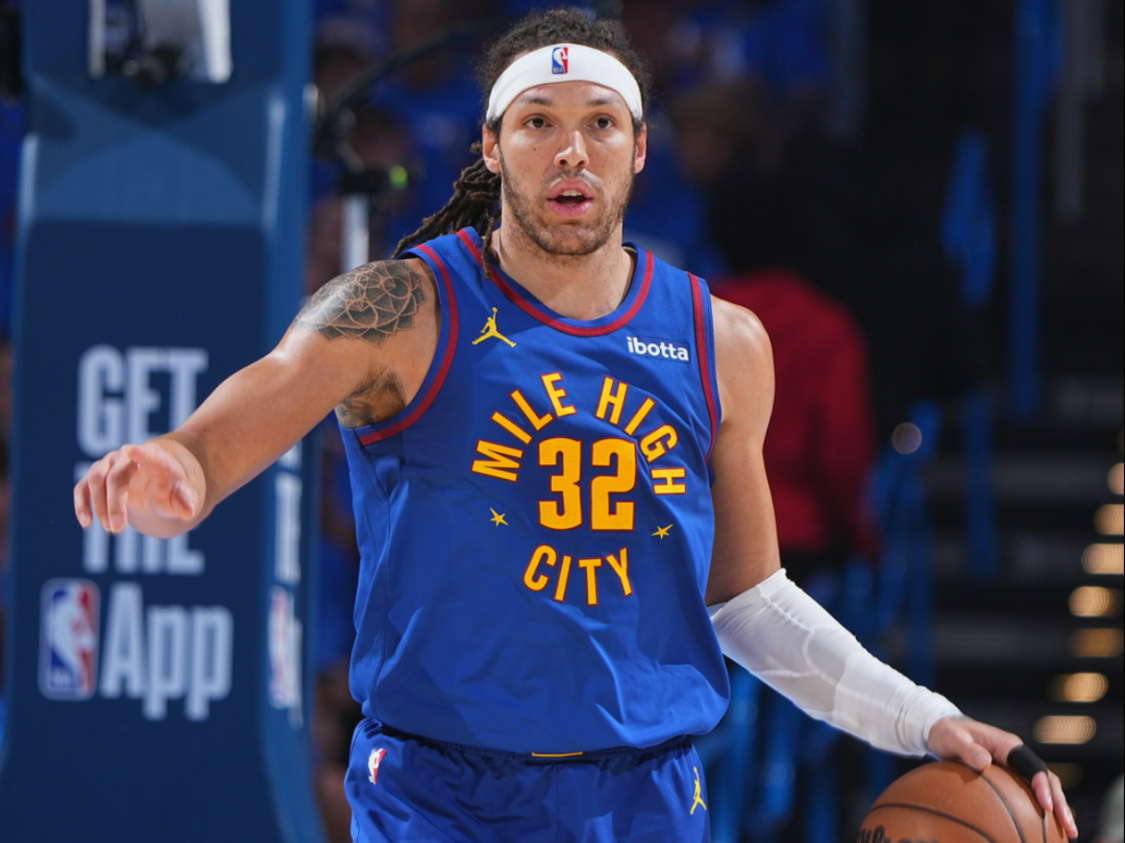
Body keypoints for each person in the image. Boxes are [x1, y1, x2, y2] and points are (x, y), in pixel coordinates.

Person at [73, 9, 1077, 842]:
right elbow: (279, 379)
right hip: (440, 794)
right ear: (490, 147)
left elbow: (748, 601)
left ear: (638, 150)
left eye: (600, 122)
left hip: (645, 798)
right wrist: (185, 461)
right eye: (537, 122)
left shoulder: (722, 341)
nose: (570, 149)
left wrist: (923, 718)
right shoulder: (403, 307)